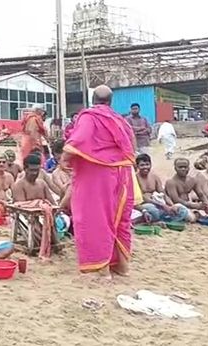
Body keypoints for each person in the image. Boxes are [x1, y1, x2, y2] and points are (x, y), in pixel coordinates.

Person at [63, 85, 138, 278]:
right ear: (110, 101)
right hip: (123, 172)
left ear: (93, 100)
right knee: (120, 218)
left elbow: (78, 140)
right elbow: (131, 147)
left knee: (95, 218)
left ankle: (102, 269)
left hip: (99, 173)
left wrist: (65, 158)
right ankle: (122, 266)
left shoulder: (89, 116)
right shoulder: (120, 119)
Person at [134, 154, 190, 223]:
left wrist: (171, 205)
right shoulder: (135, 178)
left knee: (182, 210)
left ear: (151, 165)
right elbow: (143, 197)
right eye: (142, 165)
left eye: (147, 164)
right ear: (137, 166)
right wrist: (163, 206)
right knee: (154, 212)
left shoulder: (154, 177)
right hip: (144, 205)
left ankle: (166, 220)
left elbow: (163, 194)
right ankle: (161, 219)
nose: (145, 167)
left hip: (159, 202)